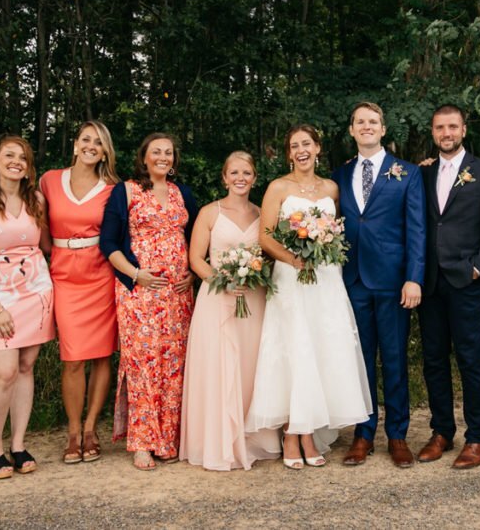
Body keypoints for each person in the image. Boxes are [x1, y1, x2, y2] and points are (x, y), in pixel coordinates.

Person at [246, 124, 372, 469]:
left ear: (317, 148)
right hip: (292, 276)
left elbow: (343, 228)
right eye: (294, 145)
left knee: (320, 348)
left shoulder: (332, 188)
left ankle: (309, 430)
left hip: (326, 280)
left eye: (307, 144)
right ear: (289, 153)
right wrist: (294, 259)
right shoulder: (278, 187)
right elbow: (266, 236)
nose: (301, 149)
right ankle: (291, 433)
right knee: (294, 348)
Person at [331, 102, 426, 468]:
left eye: (373, 122)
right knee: (359, 361)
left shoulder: (407, 173)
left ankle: (398, 434)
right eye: (359, 122)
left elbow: (416, 230)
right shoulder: (339, 175)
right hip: (352, 281)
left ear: (383, 129)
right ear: (352, 130)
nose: (366, 127)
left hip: (392, 282)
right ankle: (363, 433)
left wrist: (413, 277)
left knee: (395, 358)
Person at [417, 104, 480, 469]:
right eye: (440, 127)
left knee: (471, 360)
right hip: (430, 284)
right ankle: (442, 430)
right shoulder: (422, 174)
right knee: (434, 360)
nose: (447, 133)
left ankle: (477, 437)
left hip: (467, 281)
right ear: (433, 131)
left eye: (453, 126)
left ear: (464, 130)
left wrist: (478, 268)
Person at [100, 132, 198, 470]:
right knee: (143, 363)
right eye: (155, 151)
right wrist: (136, 274)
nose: (162, 157)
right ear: (144, 157)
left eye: (168, 152)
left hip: (178, 296)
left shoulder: (182, 192)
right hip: (140, 292)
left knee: (173, 365)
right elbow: (108, 243)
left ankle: (169, 437)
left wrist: (195, 273)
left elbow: (199, 237)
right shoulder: (125, 190)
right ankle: (142, 441)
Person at [180, 151, 280, 470]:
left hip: (253, 298)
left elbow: (268, 255)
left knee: (251, 367)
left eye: (247, 173)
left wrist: (254, 273)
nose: (240, 178)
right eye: (234, 172)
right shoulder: (210, 213)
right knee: (219, 366)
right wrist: (222, 280)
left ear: (254, 178)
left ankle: (252, 439)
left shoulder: (261, 213)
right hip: (217, 300)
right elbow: (196, 259)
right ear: (224, 177)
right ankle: (217, 441)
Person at [0, 136, 54, 480]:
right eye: (9, 156)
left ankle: (18, 445)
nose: (17, 161)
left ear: (29, 168)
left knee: (26, 366)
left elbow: (45, 245)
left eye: (24, 158)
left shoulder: (37, 200)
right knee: (3, 372)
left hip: (37, 290)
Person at [39, 121, 119, 465]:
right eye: (86, 139)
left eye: (98, 142)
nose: (91, 146)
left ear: (105, 152)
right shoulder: (49, 180)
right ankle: (72, 431)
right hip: (64, 275)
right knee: (72, 358)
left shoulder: (114, 188)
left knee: (102, 356)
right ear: (75, 145)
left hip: (100, 274)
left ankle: (91, 430)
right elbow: (40, 228)